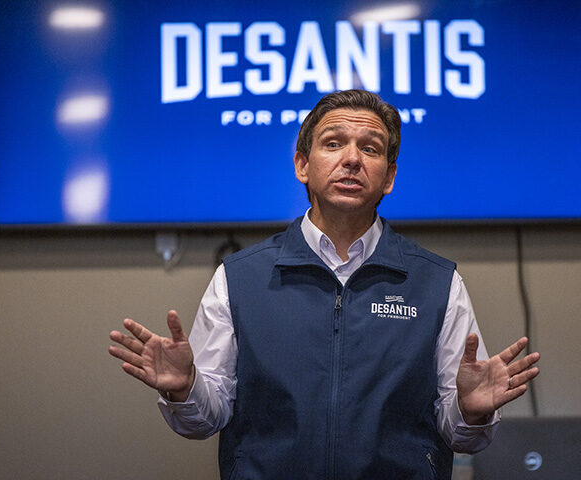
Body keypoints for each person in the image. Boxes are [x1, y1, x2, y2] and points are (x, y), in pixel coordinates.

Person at [109, 89, 540, 479]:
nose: (351, 159)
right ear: (302, 165)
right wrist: (185, 390)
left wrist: (470, 412)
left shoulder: (438, 282)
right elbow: (204, 419)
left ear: (388, 178)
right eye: (333, 143)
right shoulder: (239, 278)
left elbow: (464, 436)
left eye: (369, 148)